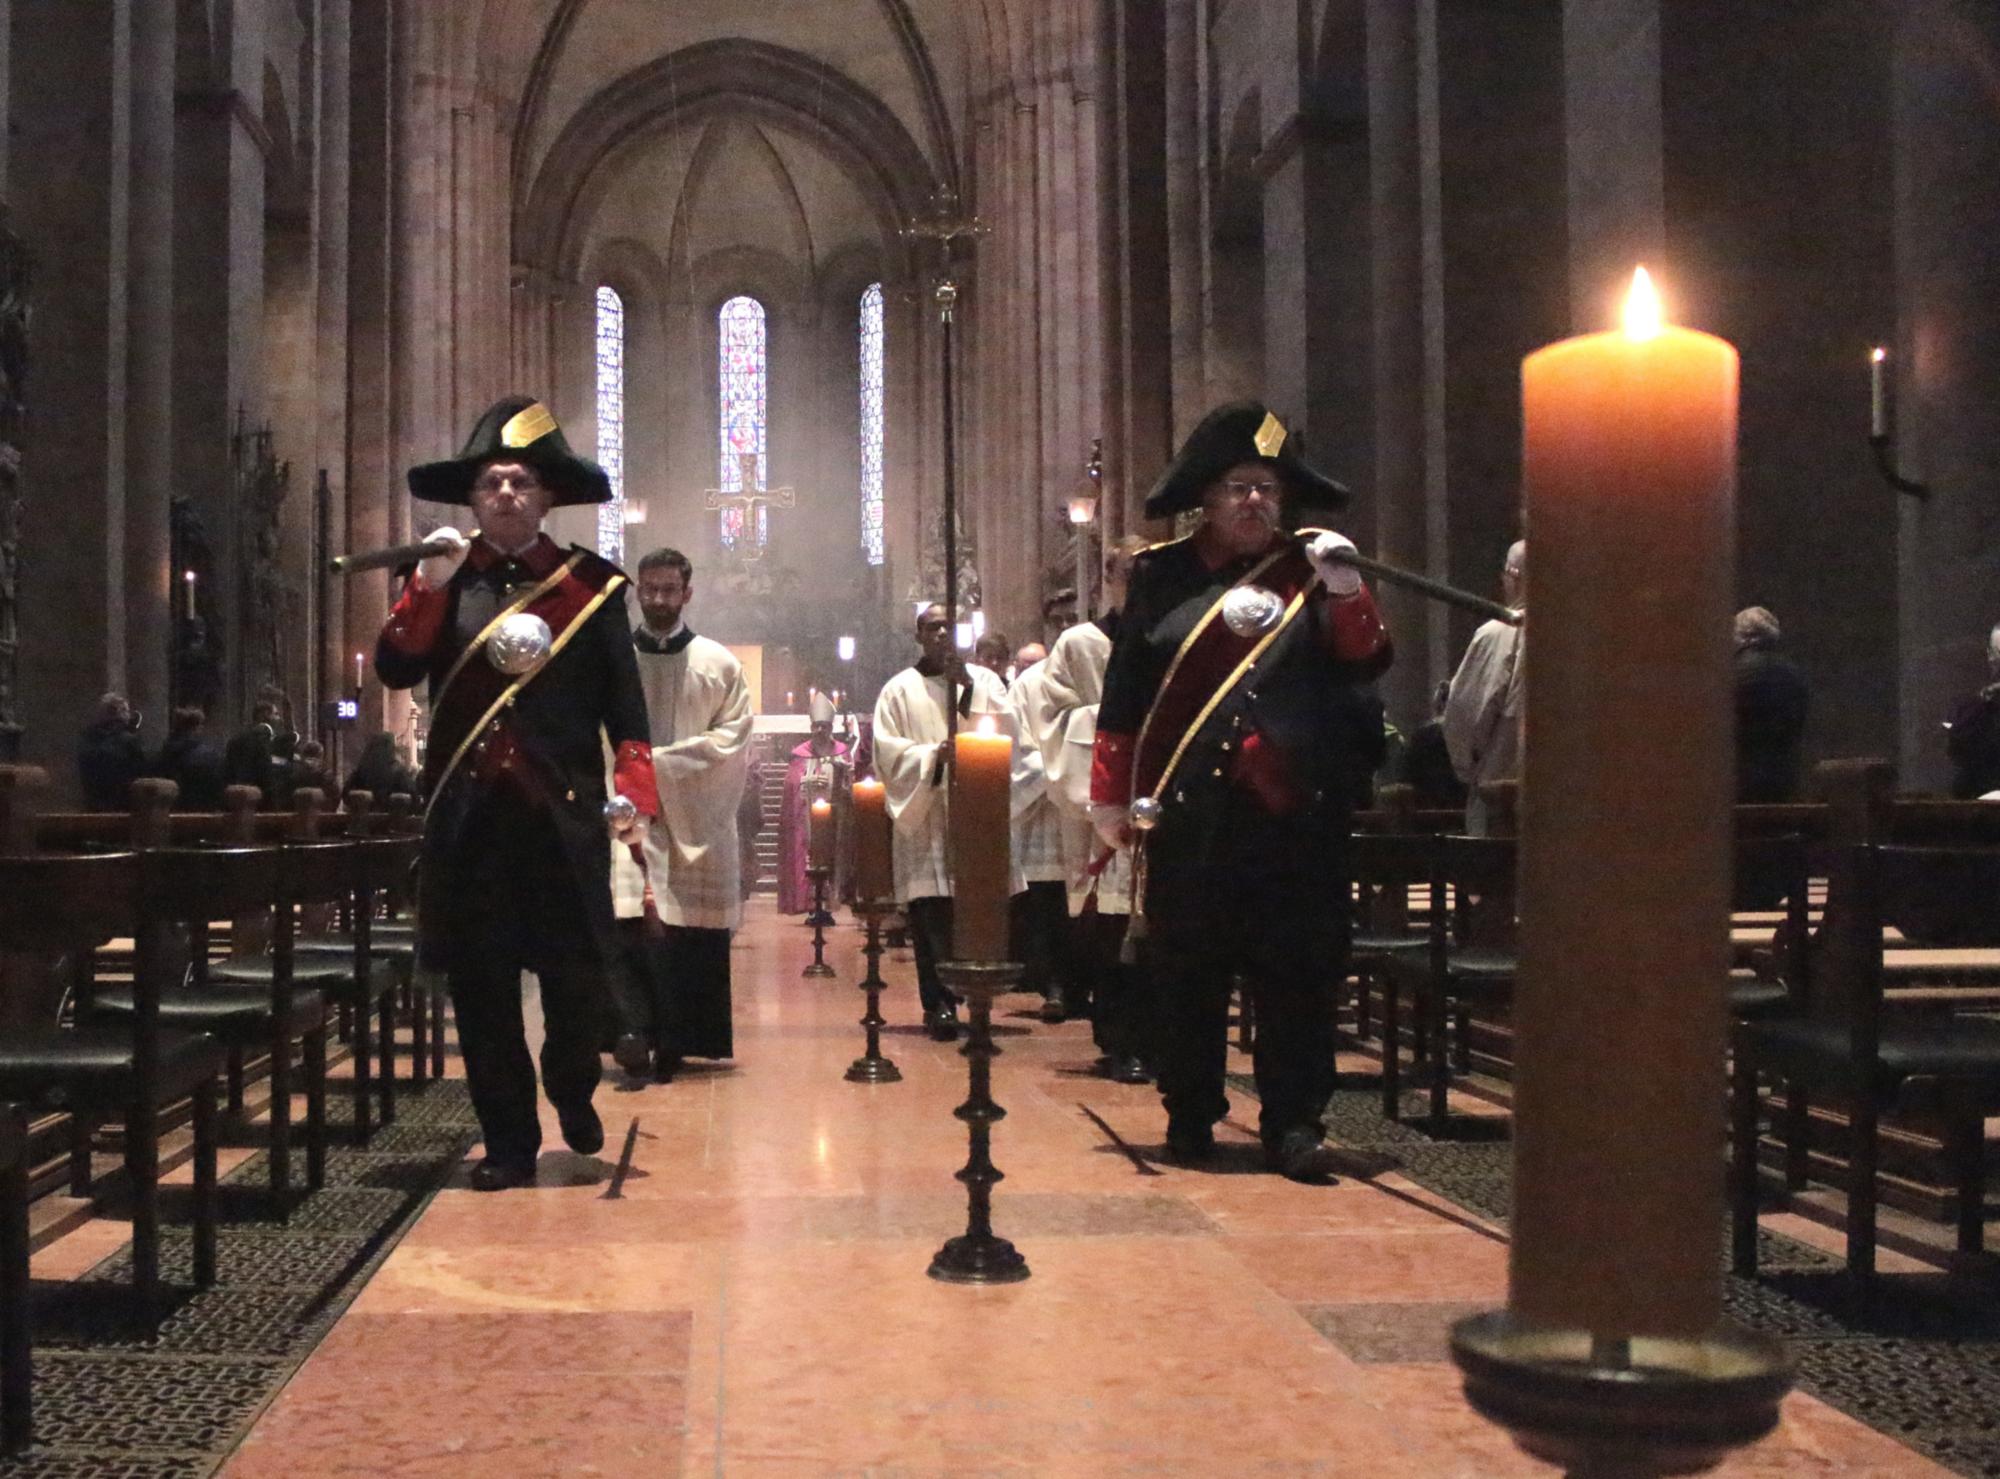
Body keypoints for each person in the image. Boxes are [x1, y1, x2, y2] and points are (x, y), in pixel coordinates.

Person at [1092, 402, 1391, 1182]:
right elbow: (1126, 693)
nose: (1254, 501)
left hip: (1296, 814)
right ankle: (1190, 1108)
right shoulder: (1162, 576)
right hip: (1195, 818)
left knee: (1299, 975)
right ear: (1207, 497)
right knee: (1188, 973)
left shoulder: (1313, 569)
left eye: (1266, 488)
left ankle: (1294, 1120)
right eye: (1237, 487)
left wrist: (1347, 588)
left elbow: (1366, 662)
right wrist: (1111, 797)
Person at [375, 394, 657, 1192]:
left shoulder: (593, 589)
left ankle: (572, 1084)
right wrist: (423, 588)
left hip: (559, 818)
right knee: (483, 988)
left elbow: (624, 705)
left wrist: (635, 793)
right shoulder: (439, 579)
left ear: (547, 498)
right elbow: (396, 669)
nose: (504, 493)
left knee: (574, 981)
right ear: (470, 498)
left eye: (520, 482)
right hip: (469, 822)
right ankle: (506, 1140)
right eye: (491, 481)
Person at [609, 546, 754, 1082]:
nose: (658, 599)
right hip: (626, 812)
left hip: (699, 815)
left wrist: (657, 766)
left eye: (669, 590)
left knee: (687, 935)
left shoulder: (719, 663)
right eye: (649, 590)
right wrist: (629, 778)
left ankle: (680, 1038)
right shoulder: (615, 657)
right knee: (628, 923)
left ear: (687, 593)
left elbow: (732, 740)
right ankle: (634, 1032)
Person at [1029, 534, 1152, 1080]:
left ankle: (1160, 1039)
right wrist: (1112, 722)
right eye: (1133, 571)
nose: (1142, 582)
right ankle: (1119, 1038)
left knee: (1159, 927)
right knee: (1111, 927)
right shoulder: (1080, 644)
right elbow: (1050, 720)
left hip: (1161, 800)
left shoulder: (1168, 636)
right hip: (1103, 803)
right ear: (1111, 579)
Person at [873, 602, 1013, 1040]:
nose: (942, 635)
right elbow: (887, 752)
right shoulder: (898, 690)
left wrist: (968, 690)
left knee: (970, 915)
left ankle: (976, 1001)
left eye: (950, 627)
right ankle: (938, 1005)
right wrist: (933, 757)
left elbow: (1009, 735)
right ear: (918, 635)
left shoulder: (986, 682)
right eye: (933, 627)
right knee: (931, 918)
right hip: (927, 816)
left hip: (975, 817)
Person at [1004, 650, 1071, 1014]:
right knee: (1046, 905)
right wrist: (1062, 770)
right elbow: (1016, 751)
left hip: (1081, 810)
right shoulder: (1025, 688)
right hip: (1043, 814)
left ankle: (1076, 984)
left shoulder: (1091, 672)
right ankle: (1052, 983)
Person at [1443, 539, 1525, 834]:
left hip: (1501, 803)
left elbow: (1466, 718)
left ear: (1513, 577)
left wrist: (1465, 767)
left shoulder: (1497, 636)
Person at [777, 692, 851, 914]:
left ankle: (833, 898)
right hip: (805, 817)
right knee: (806, 852)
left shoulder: (843, 752)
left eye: (824, 726)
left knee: (835, 852)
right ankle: (807, 901)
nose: (820, 730)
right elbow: (792, 785)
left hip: (836, 816)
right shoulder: (800, 754)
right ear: (811, 727)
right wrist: (806, 781)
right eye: (816, 726)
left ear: (831, 727)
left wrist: (842, 778)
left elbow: (851, 783)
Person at [1733, 606, 1809, 804]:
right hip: (1784, 778)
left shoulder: (1733, 674)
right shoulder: (1793, 674)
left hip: (1739, 780)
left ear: (1744, 637)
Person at [1945, 623, 2000, 800]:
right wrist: (1984, 704)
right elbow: (1956, 749)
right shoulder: (1975, 708)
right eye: (1997, 655)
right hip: (1981, 799)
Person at [1400, 681, 1467, 811]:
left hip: (1427, 803)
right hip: (1459, 801)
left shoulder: (1422, 734)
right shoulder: (1464, 731)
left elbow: (1409, 772)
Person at [78, 692, 146, 811]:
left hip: (93, 804)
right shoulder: (129, 741)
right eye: (127, 711)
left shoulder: (87, 739)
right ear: (121, 713)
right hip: (122, 806)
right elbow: (142, 770)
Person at [151, 706, 226, 811]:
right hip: (200, 812)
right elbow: (217, 788)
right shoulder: (209, 756)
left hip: (168, 811)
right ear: (197, 727)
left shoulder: (162, 754)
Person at [345, 731, 421, 803]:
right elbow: (414, 797)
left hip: (362, 816)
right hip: (392, 816)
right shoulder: (398, 772)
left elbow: (346, 794)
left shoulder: (361, 772)